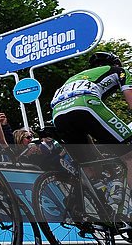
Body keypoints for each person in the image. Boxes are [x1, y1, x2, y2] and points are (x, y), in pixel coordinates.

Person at [50, 51, 132, 188]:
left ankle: (92, 203)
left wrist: (98, 156)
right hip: (85, 103)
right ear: (116, 64)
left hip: (57, 114)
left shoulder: (74, 78)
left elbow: (86, 128)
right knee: (129, 156)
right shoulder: (119, 71)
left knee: (89, 165)